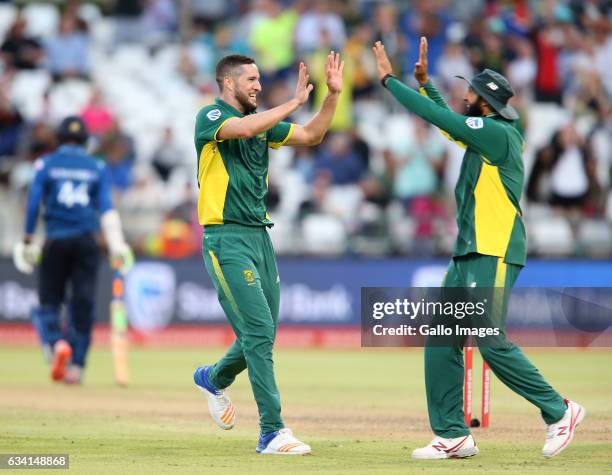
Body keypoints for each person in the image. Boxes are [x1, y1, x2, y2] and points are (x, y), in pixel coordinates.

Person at [372, 38, 585, 460]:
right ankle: (453, 433)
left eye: (470, 92)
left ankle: (560, 411)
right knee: (442, 337)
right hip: (469, 250)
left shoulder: (500, 135)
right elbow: (449, 121)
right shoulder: (484, 135)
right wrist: (426, 85)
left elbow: (445, 121)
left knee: (488, 339)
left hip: (495, 248)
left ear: (485, 102)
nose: (464, 95)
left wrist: (390, 81)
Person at [192, 52, 343, 455]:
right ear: (228, 83)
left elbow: (311, 137)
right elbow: (241, 129)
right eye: (251, 80)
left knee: (264, 333)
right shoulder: (210, 117)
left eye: (259, 79)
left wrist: (332, 97)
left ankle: (214, 377)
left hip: (260, 237)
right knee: (259, 333)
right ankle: (272, 432)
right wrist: (292, 103)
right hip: (226, 240)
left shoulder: (263, 125)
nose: (258, 85)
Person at [13, 117, 133, 385]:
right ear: (84, 141)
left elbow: (34, 204)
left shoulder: (46, 163)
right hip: (87, 242)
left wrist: (28, 238)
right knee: (83, 303)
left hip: (56, 240)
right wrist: (117, 244)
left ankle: (56, 344)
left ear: (59, 138)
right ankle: (77, 366)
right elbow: (106, 208)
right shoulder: (96, 166)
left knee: (49, 300)